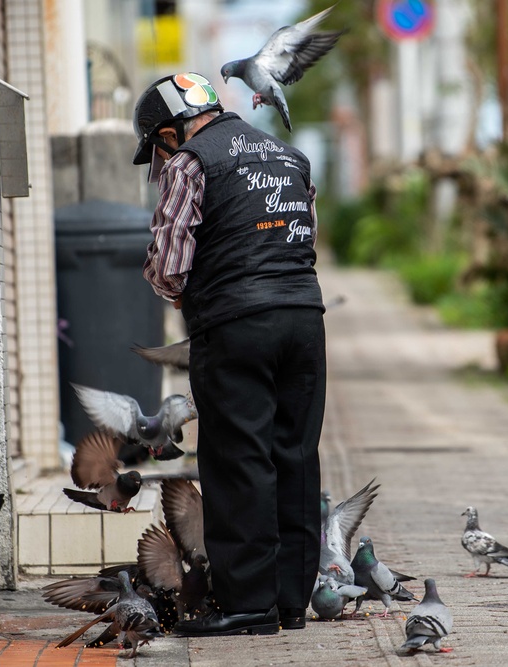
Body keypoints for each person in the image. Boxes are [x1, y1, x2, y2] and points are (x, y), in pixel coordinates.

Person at [132, 72, 327, 636]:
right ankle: (291, 600)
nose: (161, 159)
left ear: (170, 131)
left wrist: (190, 293)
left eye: (157, 147)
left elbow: (169, 267)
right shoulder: (289, 156)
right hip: (305, 320)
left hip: (236, 323)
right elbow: (304, 236)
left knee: (240, 460)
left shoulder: (192, 162)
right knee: (294, 454)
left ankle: (246, 604)